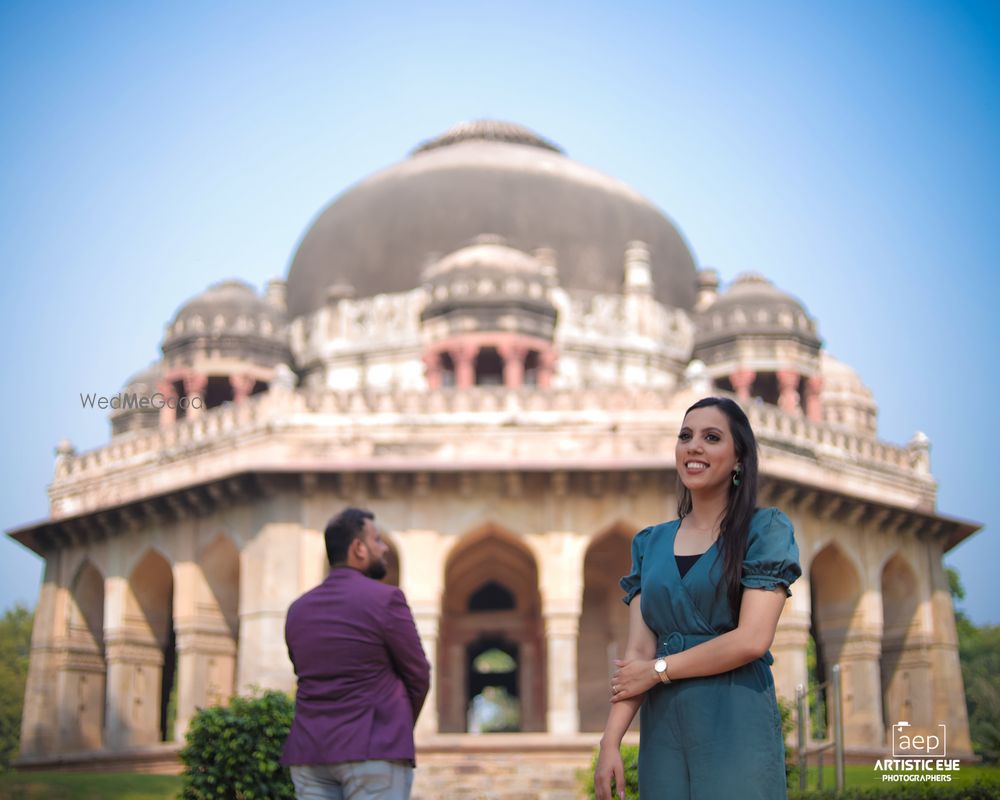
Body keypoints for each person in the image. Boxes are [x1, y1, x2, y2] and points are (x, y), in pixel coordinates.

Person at [595, 397, 801, 800]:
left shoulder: (765, 530)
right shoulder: (649, 543)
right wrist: (610, 742)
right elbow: (639, 650)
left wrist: (658, 670)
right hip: (665, 729)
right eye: (685, 436)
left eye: (711, 437)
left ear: (739, 457)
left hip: (735, 719)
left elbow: (752, 640)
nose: (694, 446)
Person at [282, 507, 431, 800]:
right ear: (358, 548)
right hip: (373, 747)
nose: (383, 547)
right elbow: (418, 673)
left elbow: (305, 670)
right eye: (377, 540)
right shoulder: (385, 599)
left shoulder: (298, 610)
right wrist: (395, 722)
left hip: (310, 752)